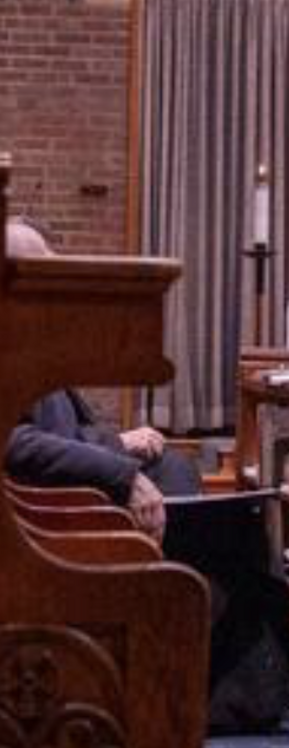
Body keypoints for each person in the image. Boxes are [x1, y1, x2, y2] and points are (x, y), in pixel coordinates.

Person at [4, 215, 200, 537]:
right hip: (48, 510)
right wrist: (122, 473)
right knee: (223, 539)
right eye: (37, 274)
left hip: (69, 488)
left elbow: (67, 432)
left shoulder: (29, 341)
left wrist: (117, 442)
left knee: (176, 468)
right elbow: (13, 440)